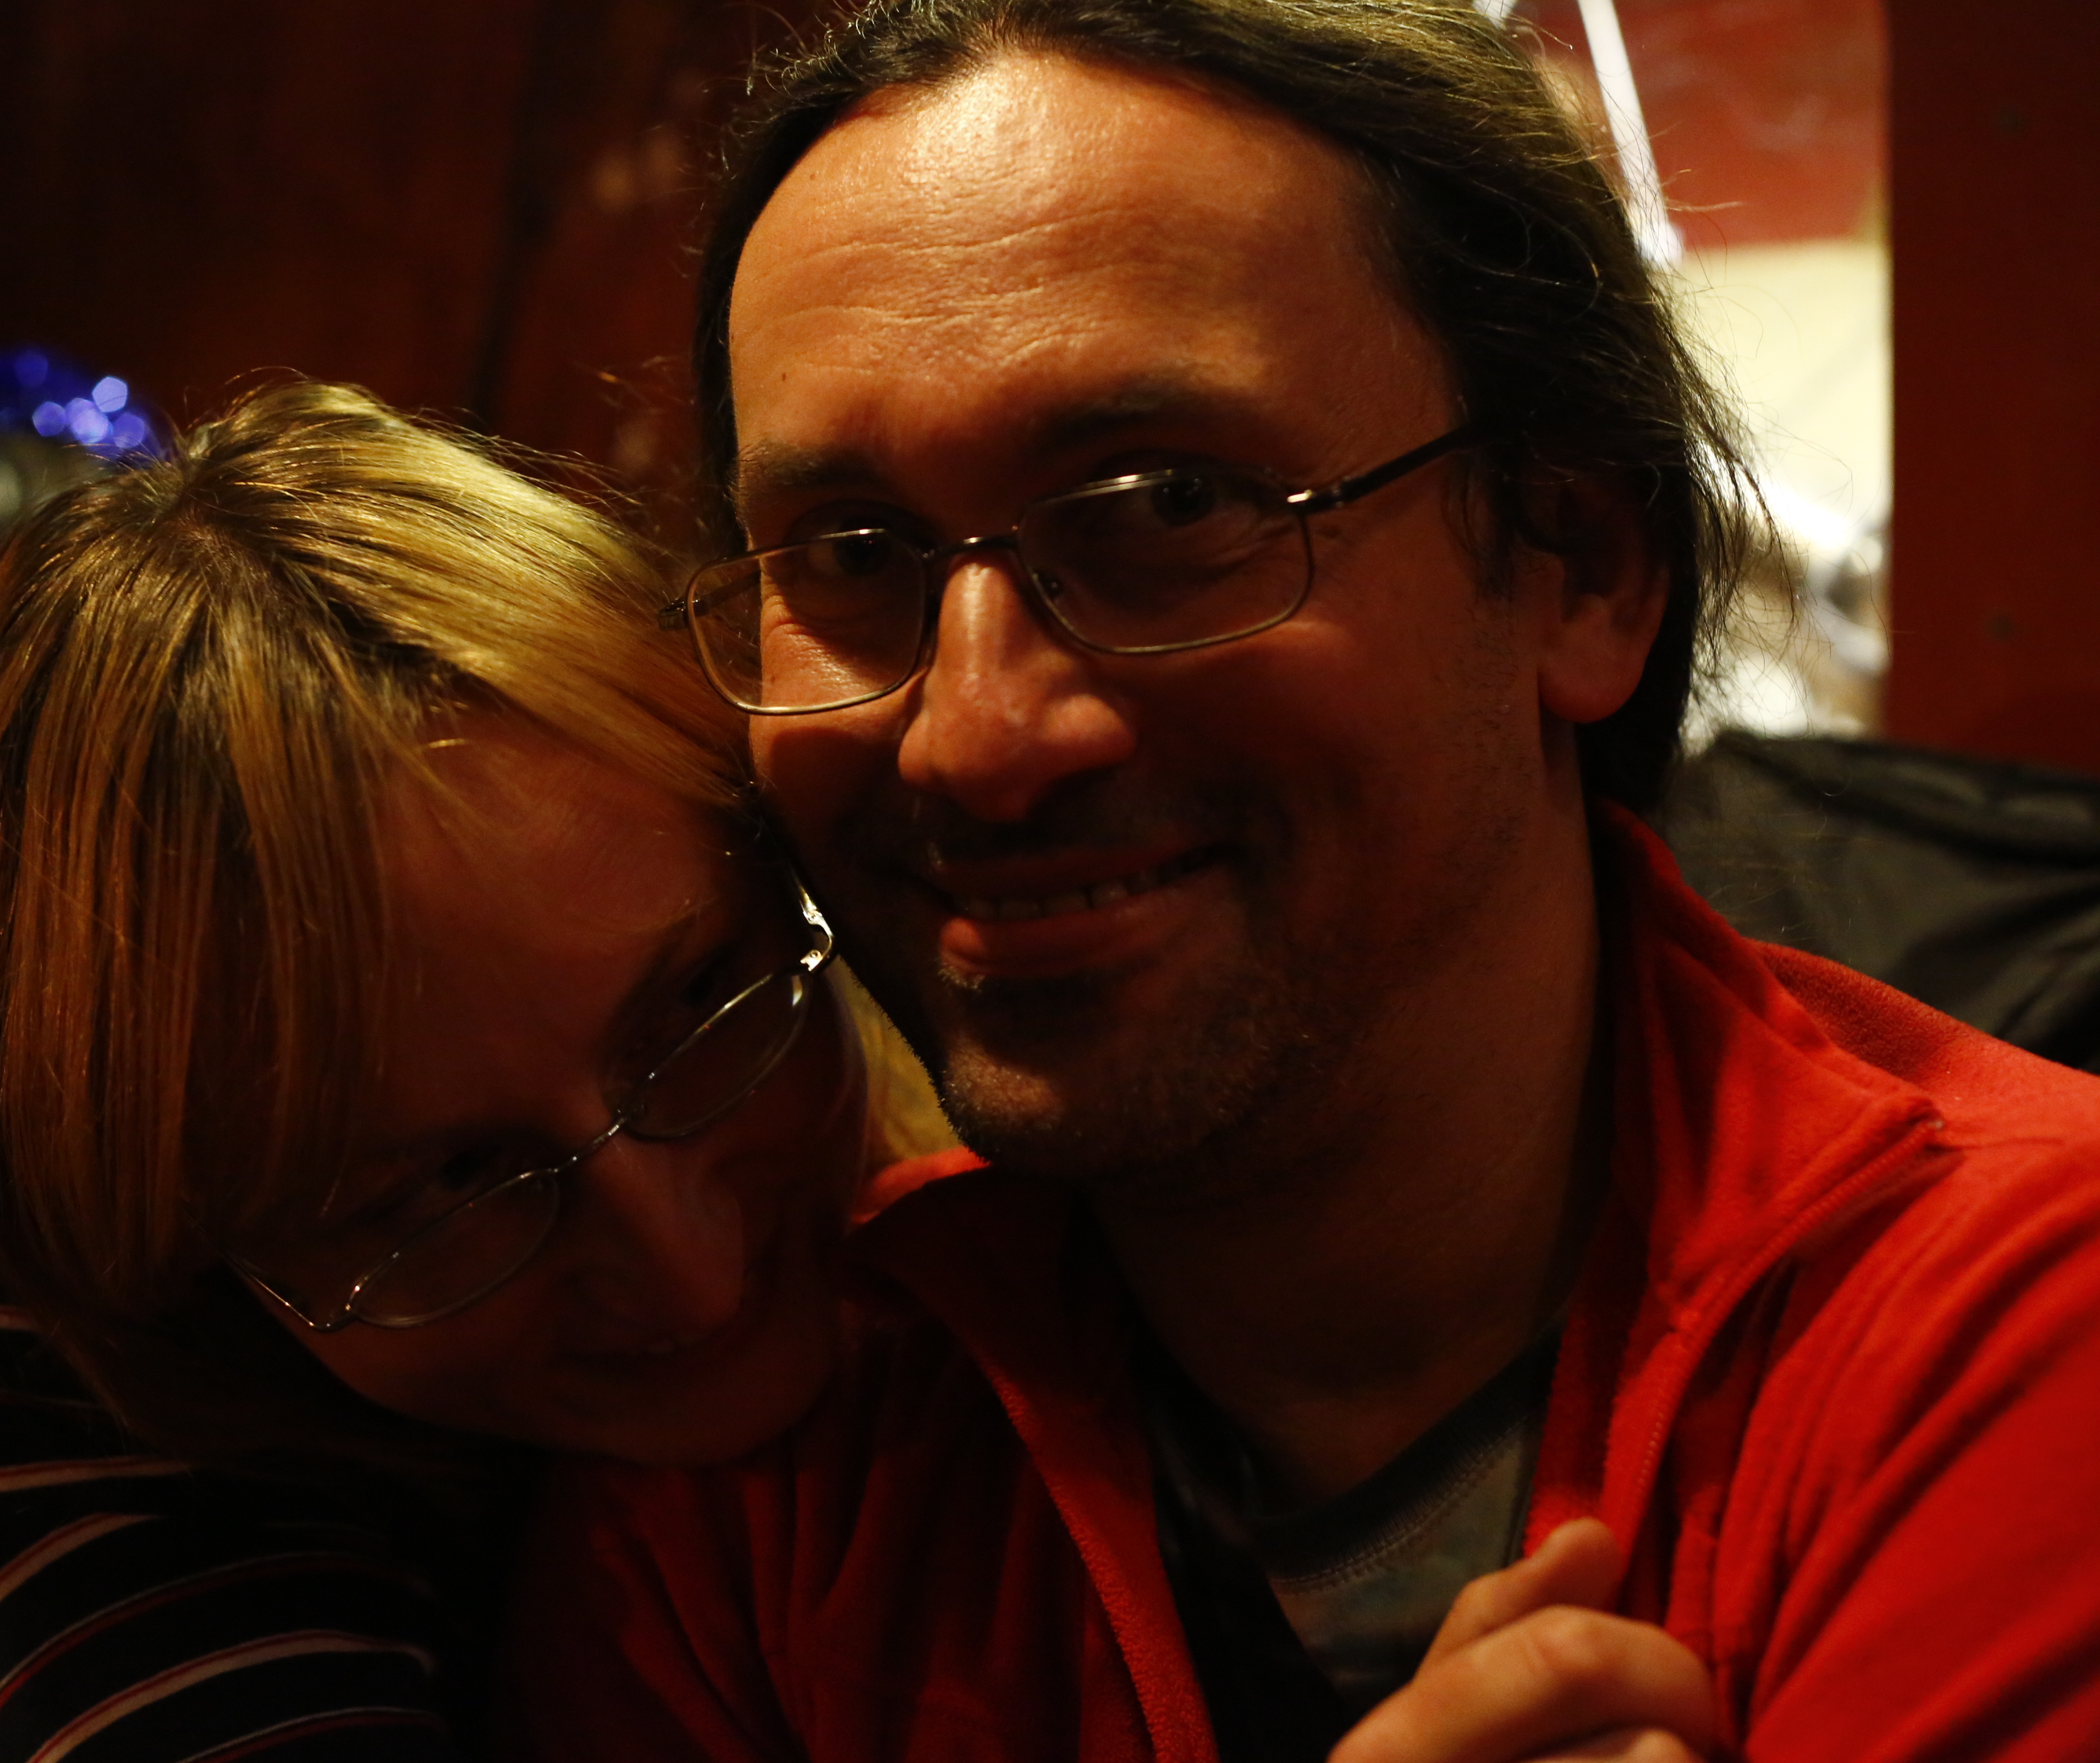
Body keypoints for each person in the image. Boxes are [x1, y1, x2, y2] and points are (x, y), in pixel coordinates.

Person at [508, 3, 2100, 1760]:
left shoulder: (2013, 1325)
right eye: (852, 553)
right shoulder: (775, 1452)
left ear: (1579, 564)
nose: (975, 735)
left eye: (1164, 503)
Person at [0, 377, 927, 1761]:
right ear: (181, 1261)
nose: (688, 1271)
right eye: (441, 1189)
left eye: (696, 1009)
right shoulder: (21, 1266)